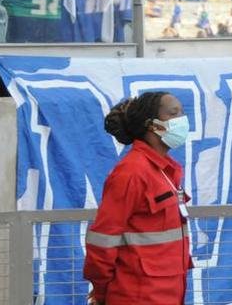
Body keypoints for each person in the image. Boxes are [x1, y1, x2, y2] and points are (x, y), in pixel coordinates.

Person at [84, 91, 192, 305]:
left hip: (168, 294)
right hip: (136, 296)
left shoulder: (165, 171)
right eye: (174, 113)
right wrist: (102, 293)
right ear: (153, 125)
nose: (183, 119)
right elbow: (102, 240)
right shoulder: (131, 172)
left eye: (183, 112)